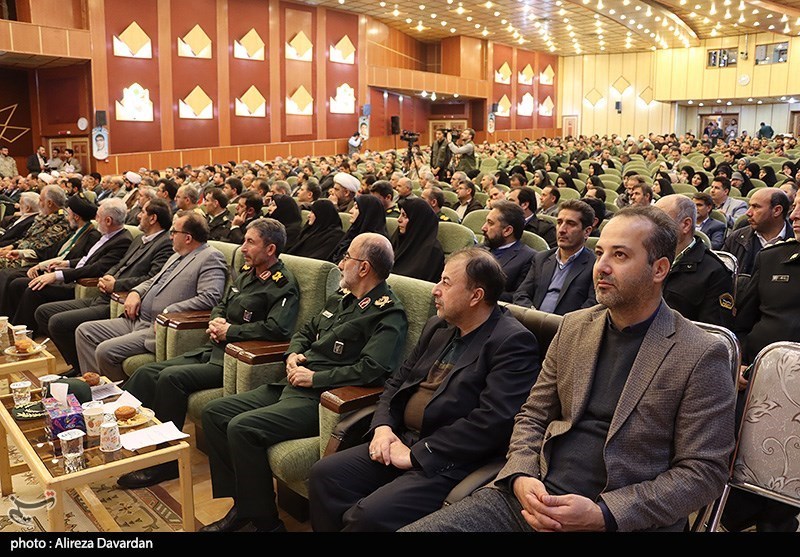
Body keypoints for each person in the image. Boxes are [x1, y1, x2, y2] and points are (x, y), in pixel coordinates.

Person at [403, 205, 736, 533]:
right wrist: (521, 474)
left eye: (620, 255)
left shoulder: (700, 353)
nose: (602, 267)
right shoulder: (574, 327)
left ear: (659, 269)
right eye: (600, 253)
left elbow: (704, 471)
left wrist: (605, 514)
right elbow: (533, 415)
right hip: (532, 498)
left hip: (623, 520)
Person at [309, 247, 541, 532]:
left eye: (446, 282)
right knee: (325, 475)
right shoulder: (438, 326)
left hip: (447, 460)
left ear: (476, 296)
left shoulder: (512, 342)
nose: (435, 290)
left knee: (367, 516)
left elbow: (492, 423)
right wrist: (383, 427)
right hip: (402, 440)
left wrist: (416, 454)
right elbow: (397, 383)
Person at [199, 233, 409, 533]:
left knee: (243, 428)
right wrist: (293, 353)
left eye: (346, 257)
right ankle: (243, 506)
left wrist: (315, 378)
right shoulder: (341, 296)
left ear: (364, 268)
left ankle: (266, 525)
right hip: (291, 384)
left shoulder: (388, 313)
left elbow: (373, 369)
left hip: (322, 399)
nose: (341, 264)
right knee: (214, 413)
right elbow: (306, 331)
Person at [117, 219, 300, 488]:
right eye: (244, 240)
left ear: (270, 249)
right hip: (213, 348)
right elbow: (222, 304)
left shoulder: (281, 283)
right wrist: (216, 321)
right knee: (146, 372)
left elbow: (278, 329)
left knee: (170, 378)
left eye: (250, 242)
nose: (243, 247)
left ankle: (165, 463)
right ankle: (117, 430)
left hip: (236, 360)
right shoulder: (247, 273)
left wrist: (231, 331)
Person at [721, 195, 800, 533]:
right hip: (757, 385)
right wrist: (739, 361)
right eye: (795, 207)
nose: (795, 215)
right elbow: (741, 324)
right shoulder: (771, 259)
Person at [74, 211, 227, 381]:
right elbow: (153, 280)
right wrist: (135, 292)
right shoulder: (176, 255)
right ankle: (96, 385)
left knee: (105, 350)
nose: (170, 236)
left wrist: (169, 311)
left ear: (188, 238)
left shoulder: (211, 257)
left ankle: (119, 392)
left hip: (158, 326)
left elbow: (210, 297)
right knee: (85, 331)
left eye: (174, 232)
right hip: (137, 318)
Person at [34, 199, 173, 376]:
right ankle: (80, 366)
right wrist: (108, 276)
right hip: (104, 294)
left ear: (153, 218)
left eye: (143, 212)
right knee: (43, 312)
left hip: (119, 302)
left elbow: (152, 279)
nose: (138, 215)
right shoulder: (139, 238)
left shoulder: (164, 244)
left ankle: (87, 373)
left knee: (58, 322)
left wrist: (116, 284)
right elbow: (120, 264)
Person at [8, 198, 132, 334]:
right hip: (74, 274)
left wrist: (56, 275)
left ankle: (23, 335)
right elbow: (88, 258)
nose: (95, 220)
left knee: (33, 289)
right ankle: (11, 328)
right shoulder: (108, 234)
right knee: (18, 283)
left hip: (79, 284)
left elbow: (96, 268)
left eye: (98, 216)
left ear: (108, 221)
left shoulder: (122, 241)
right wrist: (66, 263)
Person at [655, 194, 734, 327]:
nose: (651, 227)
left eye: (660, 221)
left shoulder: (714, 272)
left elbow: (712, 331)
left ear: (686, 225)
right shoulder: (647, 257)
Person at [512, 199, 597, 314]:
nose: (562, 230)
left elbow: (592, 307)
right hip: (532, 320)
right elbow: (521, 294)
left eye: (571, 224)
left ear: (587, 232)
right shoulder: (541, 258)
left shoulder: (595, 265)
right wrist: (534, 316)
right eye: (559, 222)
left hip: (567, 324)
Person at [722, 187, 791, 276]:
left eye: (755, 207)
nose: (748, 213)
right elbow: (722, 276)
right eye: (750, 206)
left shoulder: (796, 241)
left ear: (777, 210)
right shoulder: (736, 239)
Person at [481, 201, 536, 302]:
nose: (483, 228)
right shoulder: (479, 249)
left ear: (507, 231)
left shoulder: (528, 258)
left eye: (490, 223)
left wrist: (482, 293)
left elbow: (519, 295)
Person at [390, 197, 444, 283]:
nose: (399, 220)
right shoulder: (398, 239)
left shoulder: (432, 251)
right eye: (400, 214)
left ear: (418, 221)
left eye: (404, 216)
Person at [329, 194, 387, 263]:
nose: (350, 211)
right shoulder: (353, 232)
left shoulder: (373, 244)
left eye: (356, 208)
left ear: (367, 213)